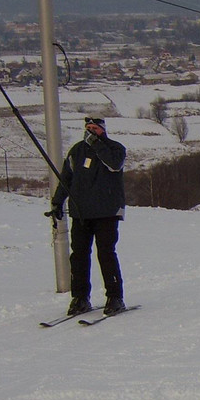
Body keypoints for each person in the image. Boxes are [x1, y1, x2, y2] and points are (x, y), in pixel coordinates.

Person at [48, 116, 128, 316]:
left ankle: (115, 297)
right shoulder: (77, 150)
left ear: (103, 130)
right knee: (79, 256)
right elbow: (66, 178)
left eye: (95, 128)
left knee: (106, 254)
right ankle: (80, 298)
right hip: (81, 213)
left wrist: (98, 145)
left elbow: (114, 165)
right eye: (88, 128)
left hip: (107, 212)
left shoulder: (115, 149)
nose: (91, 131)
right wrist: (58, 202)